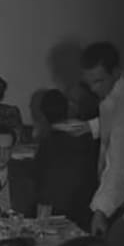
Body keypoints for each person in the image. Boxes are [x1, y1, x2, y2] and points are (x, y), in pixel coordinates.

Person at [64, 41, 124, 234]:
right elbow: (113, 121)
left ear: (115, 72)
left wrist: (101, 211)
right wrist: (90, 127)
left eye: (98, 81)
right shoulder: (121, 83)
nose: (92, 89)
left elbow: (121, 165)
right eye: (88, 82)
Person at [30, 86, 97, 222]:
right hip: (87, 209)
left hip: (54, 212)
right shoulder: (89, 137)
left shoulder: (48, 144)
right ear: (67, 108)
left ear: (42, 113)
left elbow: (39, 180)